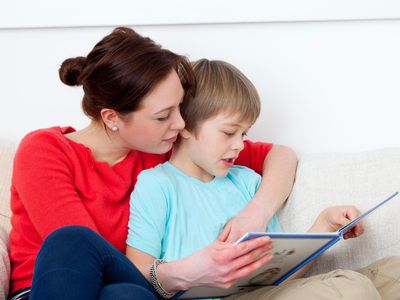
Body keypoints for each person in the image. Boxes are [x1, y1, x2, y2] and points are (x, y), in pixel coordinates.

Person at [8, 27, 297, 300]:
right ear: (112, 118)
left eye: (179, 107)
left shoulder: (164, 146)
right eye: (164, 115)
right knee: (72, 241)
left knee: (124, 295)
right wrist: (184, 273)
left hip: (129, 288)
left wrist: (255, 214)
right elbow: (86, 254)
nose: (181, 123)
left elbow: (280, 156)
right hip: (51, 288)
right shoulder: (45, 151)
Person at [126, 59, 400, 300]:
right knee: (351, 288)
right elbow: (136, 277)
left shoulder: (247, 182)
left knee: (394, 273)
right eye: (229, 132)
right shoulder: (156, 185)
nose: (239, 145)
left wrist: (325, 225)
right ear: (184, 125)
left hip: (266, 293)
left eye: (243, 134)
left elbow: (280, 274)